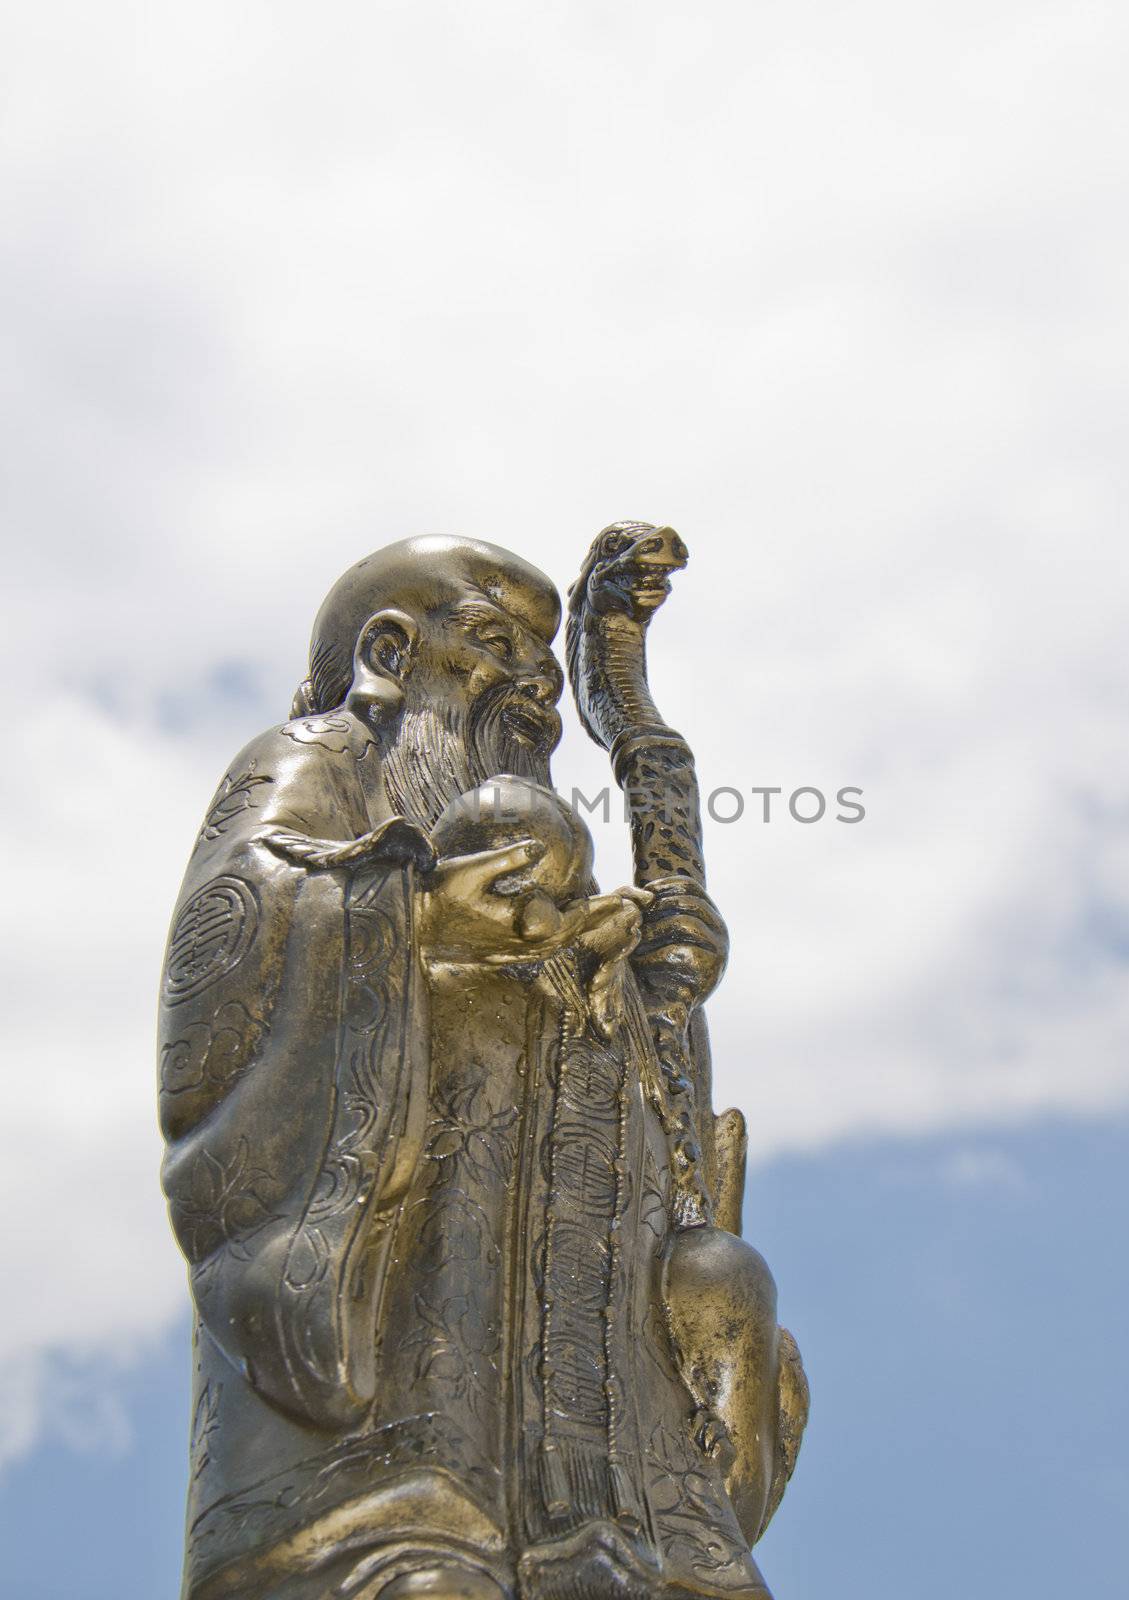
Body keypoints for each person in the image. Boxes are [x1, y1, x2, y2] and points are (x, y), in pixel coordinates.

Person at [159, 537, 780, 1600]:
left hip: (579, 1363)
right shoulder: (320, 759)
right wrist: (407, 919)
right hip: (409, 1337)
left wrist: (646, 987)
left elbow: (662, 1118)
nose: (534, 683)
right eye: (495, 643)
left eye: (545, 659)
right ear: (393, 649)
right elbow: (236, 937)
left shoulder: (558, 884)